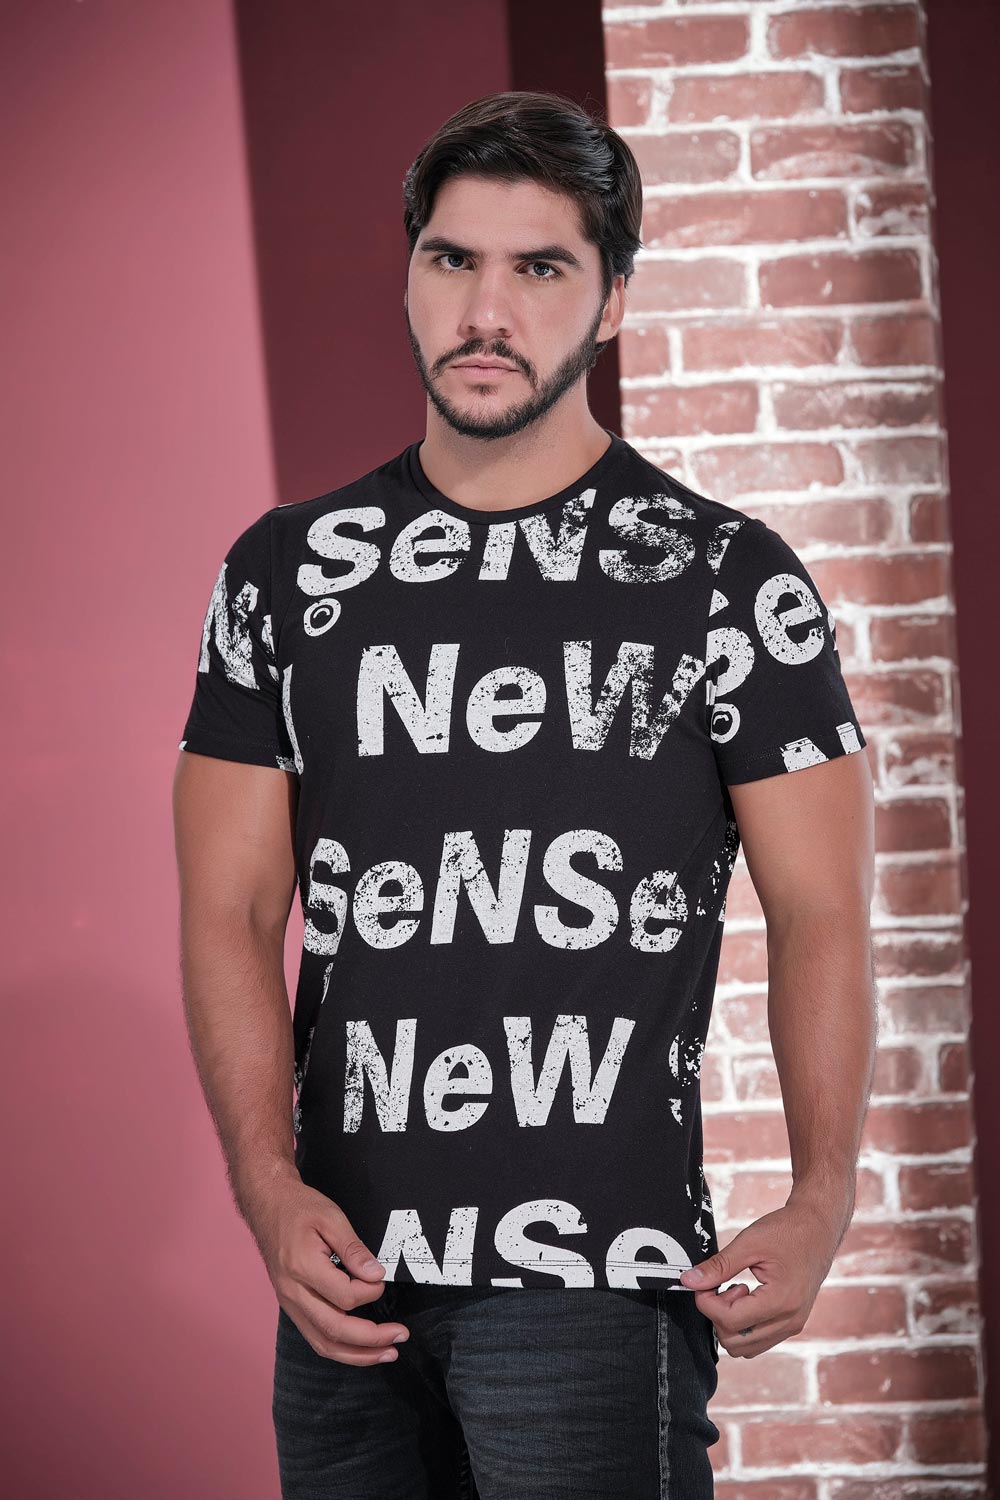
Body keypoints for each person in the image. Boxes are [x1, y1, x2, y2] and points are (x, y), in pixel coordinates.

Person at [173, 89, 876, 1500]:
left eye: (541, 268)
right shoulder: (286, 573)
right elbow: (232, 909)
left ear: (612, 301)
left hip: (599, 1281)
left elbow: (822, 911)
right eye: (452, 260)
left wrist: (821, 1198)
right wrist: (267, 1188)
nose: (485, 312)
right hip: (348, 1283)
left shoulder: (727, 580)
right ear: (410, 275)